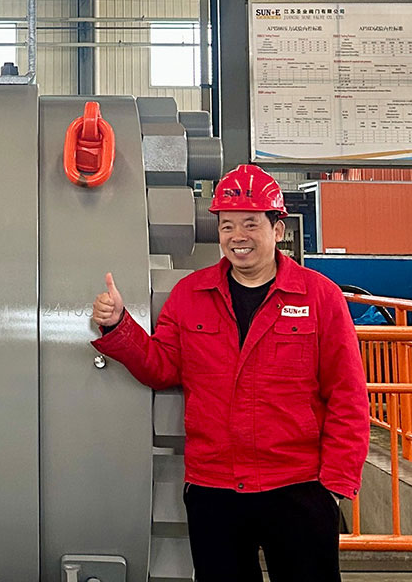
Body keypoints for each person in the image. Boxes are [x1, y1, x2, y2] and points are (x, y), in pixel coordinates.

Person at [90, 164, 368, 582]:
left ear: (277, 229)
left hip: (298, 486)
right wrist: (118, 326)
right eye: (227, 225)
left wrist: (335, 485)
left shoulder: (319, 297)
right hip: (215, 489)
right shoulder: (190, 295)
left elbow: (348, 395)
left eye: (251, 223)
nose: (238, 236)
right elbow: (162, 366)